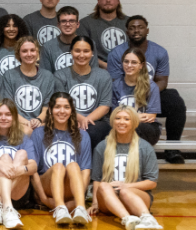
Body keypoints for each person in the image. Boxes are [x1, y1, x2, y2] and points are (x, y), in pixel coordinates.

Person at [106, 15, 187, 163]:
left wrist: (146, 92)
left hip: (148, 91)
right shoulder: (116, 53)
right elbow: (115, 81)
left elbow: (162, 81)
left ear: (147, 30)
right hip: (125, 91)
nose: (136, 31)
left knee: (175, 101)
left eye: (140, 27)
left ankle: (172, 149)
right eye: (132, 28)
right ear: (127, 31)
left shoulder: (159, 51)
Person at [88, 106, 162, 230]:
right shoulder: (102, 146)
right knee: (105, 185)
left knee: (125, 191)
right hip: (108, 200)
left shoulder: (145, 147)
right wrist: (95, 203)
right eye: (118, 118)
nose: (121, 122)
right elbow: (97, 179)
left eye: (126, 119)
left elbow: (152, 182)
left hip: (135, 197)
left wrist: (126, 186)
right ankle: (128, 220)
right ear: (112, 122)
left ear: (134, 122)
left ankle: (148, 220)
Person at [30, 92, 93, 226]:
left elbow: (86, 171)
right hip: (46, 187)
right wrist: (43, 198)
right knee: (59, 166)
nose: (62, 111)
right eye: (57, 107)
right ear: (51, 110)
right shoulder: (38, 133)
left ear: (72, 111)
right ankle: (60, 209)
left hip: (71, 189)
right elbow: (33, 170)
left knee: (74, 165)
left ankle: (80, 209)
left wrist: (76, 201)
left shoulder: (83, 135)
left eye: (66, 107)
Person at [0, 99, 37, 230]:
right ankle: (7, 208)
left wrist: (20, 169)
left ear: (14, 118)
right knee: (4, 157)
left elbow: (33, 166)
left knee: (21, 154)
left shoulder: (23, 137)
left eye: (8, 114)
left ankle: (1, 205)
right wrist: (0, 164)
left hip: (18, 192)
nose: (3, 118)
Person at [55, 36, 113, 149]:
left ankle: (91, 166)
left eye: (86, 51)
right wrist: (80, 119)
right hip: (68, 118)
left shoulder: (103, 75)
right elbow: (61, 105)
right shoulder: (60, 75)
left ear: (92, 53)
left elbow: (105, 106)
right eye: (77, 51)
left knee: (91, 131)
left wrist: (86, 120)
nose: (81, 55)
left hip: (98, 121)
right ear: (71, 52)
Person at [0, 36, 56, 133]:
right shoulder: (9, 75)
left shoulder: (48, 76)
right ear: (18, 54)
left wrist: (38, 120)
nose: (29, 54)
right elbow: (9, 107)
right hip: (17, 122)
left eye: (32, 50)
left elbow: (47, 106)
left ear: (37, 53)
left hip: (40, 122)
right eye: (24, 51)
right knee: (27, 132)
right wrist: (27, 123)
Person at [113, 48, 162, 145]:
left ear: (141, 65)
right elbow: (114, 114)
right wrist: (135, 117)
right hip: (122, 125)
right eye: (126, 61)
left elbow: (151, 116)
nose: (129, 65)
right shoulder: (115, 85)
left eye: (134, 62)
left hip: (147, 127)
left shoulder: (151, 86)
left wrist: (127, 118)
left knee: (139, 128)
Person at [79, 0, 129, 68]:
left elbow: (136, 50)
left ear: (118, 1)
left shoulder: (129, 23)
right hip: (96, 70)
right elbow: (83, 52)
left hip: (126, 69)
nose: (108, 0)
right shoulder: (85, 23)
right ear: (98, 1)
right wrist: (106, 66)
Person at [40, 6, 81, 73]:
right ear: (58, 25)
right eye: (63, 21)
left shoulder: (88, 44)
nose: (67, 24)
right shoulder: (48, 47)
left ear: (77, 24)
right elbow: (46, 76)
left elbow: (93, 74)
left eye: (72, 21)